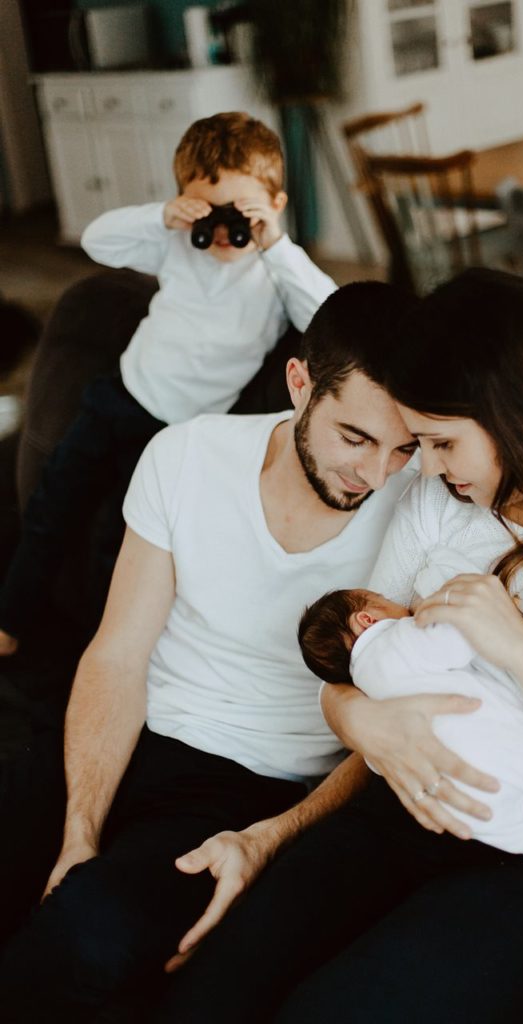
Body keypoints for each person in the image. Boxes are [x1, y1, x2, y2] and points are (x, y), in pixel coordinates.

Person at [148, 268, 523, 1024]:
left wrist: (521, 649)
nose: (423, 471)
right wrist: (363, 724)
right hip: (406, 807)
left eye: (441, 443)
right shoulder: (447, 504)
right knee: (212, 993)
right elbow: (361, 657)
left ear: (520, 416)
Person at [0, 282, 436, 1023]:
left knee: (89, 934)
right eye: (355, 438)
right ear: (300, 384)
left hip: (246, 786)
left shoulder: (425, 512)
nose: (376, 474)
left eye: (404, 447)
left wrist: (274, 837)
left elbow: (388, 728)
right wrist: (79, 831)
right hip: (121, 735)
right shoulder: (188, 455)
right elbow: (117, 655)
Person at [0, 111, 336, 656]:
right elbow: (95, 242)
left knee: (127, 534)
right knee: (52, 505)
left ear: (274, 207)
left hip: (179, 435)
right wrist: (163, 217)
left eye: (240, 214)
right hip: (117, 399)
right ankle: (11, 619)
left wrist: (275, 245)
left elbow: (329, 314)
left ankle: (112, 644)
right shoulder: (176, 244)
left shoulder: (275, 276)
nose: (225, 232)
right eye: (212, 213)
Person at [298, 585, 523, 896]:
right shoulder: (396, 639)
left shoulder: (364, 688)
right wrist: (486, 611)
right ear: (367, 619)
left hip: (447, 795)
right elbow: (457, 640)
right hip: (493, 747)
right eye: (385, 599)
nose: (401, 605)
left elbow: (378, 758)